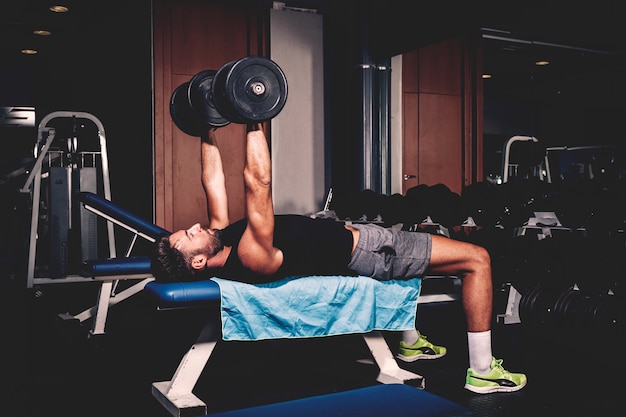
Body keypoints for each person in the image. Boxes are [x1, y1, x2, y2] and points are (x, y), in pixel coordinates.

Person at [153, 124, 527, 394]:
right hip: (372, 251)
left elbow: (213, 181)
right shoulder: (251, 255)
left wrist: (207, 127)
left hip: (358, 238)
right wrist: (253, 118)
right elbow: (258, 183)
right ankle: (481, 370)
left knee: (436, 253)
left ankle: (411, 342)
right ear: (198, 263)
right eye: (189, 235)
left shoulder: (223, 239)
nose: (196, 226)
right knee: (477, 258)